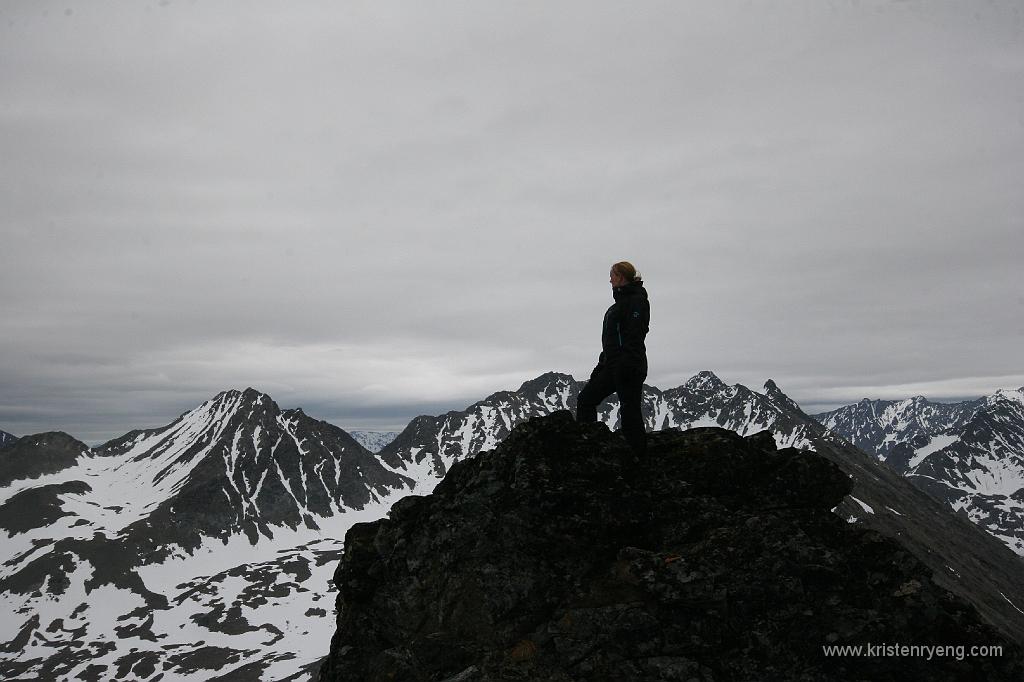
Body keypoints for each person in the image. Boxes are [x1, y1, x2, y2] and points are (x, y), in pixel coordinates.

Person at [575, 261, 650, 458]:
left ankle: (638, 457)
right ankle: (589, 448)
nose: (610, 279)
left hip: (628, 366)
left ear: (621, 277)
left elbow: (634, 336)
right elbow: (614, 340)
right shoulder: (620, 304)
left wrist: (623, 364)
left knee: (629, 410)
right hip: (616, 365)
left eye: (613, 275)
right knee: (587, 400)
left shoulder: (636, 301)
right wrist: (602, 364)